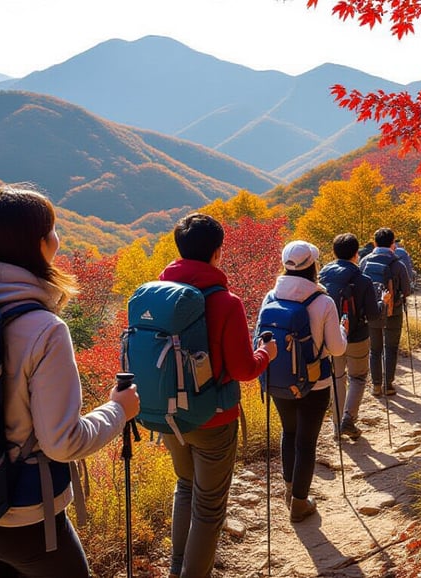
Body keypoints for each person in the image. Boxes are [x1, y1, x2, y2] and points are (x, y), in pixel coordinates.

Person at [0, 184, 140, 577]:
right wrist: (118, 410)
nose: (57, 238)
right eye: (52, 229)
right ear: (38, 243)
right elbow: (63, 442)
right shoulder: (42, 328)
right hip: (20, 513)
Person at [158, 213, 277, 578]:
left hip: (167, 415)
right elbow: (243, 370)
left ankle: (177, 569)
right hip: (215, 417)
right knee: (209, 508)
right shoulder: (226, 302)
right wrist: (265, 355)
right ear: (218, 252)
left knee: (185, 487)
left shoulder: (157, 294)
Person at [260, 240, 347, 522]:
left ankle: (289, 490)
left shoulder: (270, 298)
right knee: (307, 442)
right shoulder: (323, 301)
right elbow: (336, 349)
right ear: (313, 266)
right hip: (316, 382)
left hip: (279, 380)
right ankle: (299, 502)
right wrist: (343, 331)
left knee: (289, 433)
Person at [318, 233, 384, 440]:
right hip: (357, 336)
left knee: (337, 378)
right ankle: (349, 419)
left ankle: (337, 425)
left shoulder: (323, 276)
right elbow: (373, 315)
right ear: (356, 254)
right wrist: (383, 301)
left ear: (334, 252)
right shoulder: (362, 280)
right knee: (358, 377)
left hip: (331, 336)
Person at [360, 227, 413, 397]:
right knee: (391, 347)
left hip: (373, 310)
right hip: (393, 311)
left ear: (374, 243)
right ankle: (388, 385)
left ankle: (376, 386)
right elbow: (407, 290)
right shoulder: (398, 264)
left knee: (375, 349)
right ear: (393, 244)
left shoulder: (365, 262)